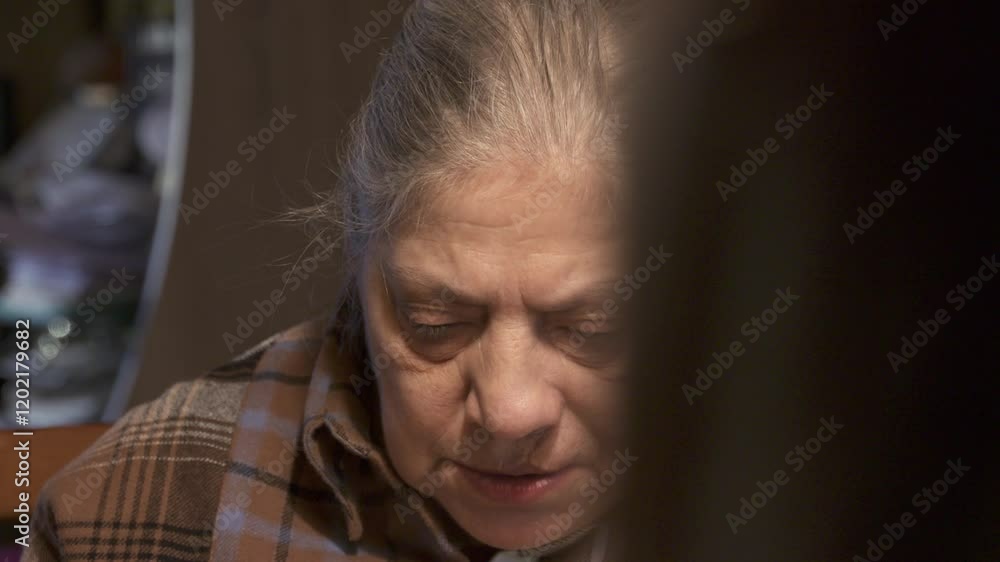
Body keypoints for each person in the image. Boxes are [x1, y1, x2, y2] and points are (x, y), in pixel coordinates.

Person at [25, 1, 636, 560]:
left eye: (593, 329)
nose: (508, 412)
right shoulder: (133, 508)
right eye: (435, 324)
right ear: (359, 259)